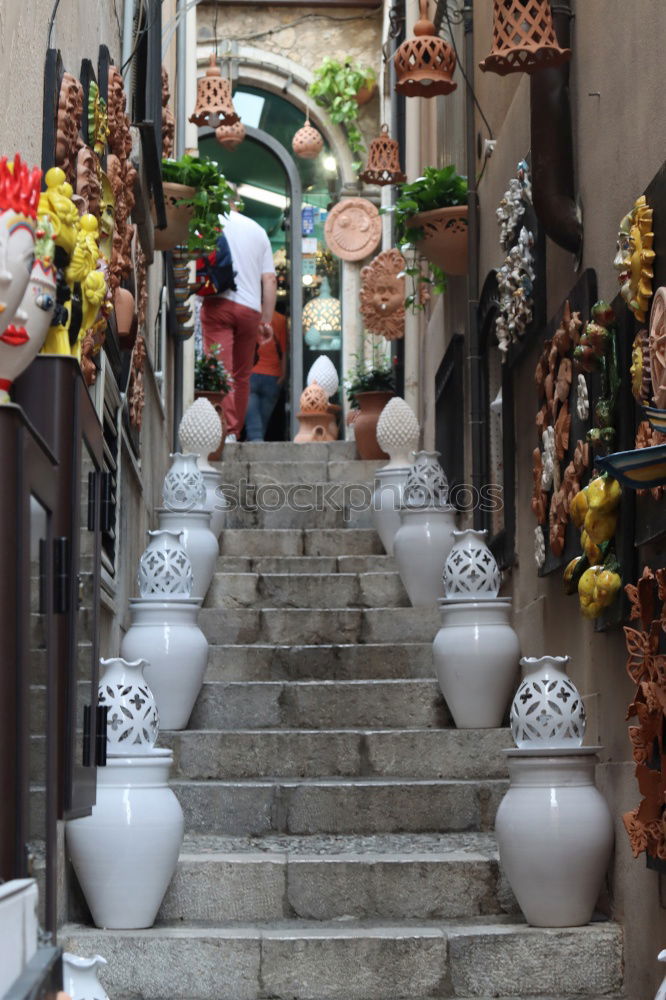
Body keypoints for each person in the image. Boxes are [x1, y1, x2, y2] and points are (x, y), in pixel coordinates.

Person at [200, 192, 277, 441]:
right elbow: (270, 279)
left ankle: (223, 431)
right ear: (238, 203)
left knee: (220, 370)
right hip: (250, 310)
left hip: (217, 304)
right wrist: (266, 320)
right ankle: (233, 430)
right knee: (242, 375)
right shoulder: (258, 231)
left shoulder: (210, 222)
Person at [244, 309, 288, 441]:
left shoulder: (250, 313)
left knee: (254, 427)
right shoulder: (280, 319)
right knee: (259, 427)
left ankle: (251, 448)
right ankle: (252, 448)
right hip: (273, 375)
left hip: (250, 373)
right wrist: (283, 374)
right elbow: (285, 350)